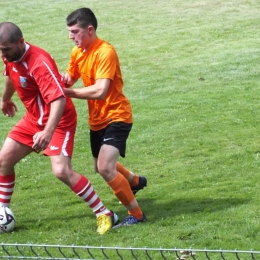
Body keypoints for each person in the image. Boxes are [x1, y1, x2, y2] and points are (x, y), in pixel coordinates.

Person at [0, 21, 119, 235]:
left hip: (59, 120)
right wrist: (6, 98)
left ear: (20, 42)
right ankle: (2, 210)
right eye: (0, 50)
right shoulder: (10, 54)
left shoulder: (39, 63)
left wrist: (47, 132)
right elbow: (10, 72)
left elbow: (59, 100)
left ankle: (104, 213)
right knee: (3, 161)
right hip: (33, 118)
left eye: (6, 49)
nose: (3, 54)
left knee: (62, 170)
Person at [62, 7, 147, 227]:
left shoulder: (105, 52)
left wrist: (69, 93)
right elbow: (70, 77)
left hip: (117, 116)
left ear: (89, 29)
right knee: (100, 167)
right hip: (97, 120)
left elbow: (100, 91)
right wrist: (59, 79)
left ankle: (137, 215)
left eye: (75, 31)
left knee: (106, 167)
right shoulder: (77, 53)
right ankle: (135, 182)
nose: (71, 36)